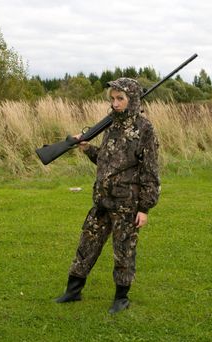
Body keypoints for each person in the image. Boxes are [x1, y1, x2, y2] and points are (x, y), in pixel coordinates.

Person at [55, 77, 160, 314]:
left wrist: (144, 208)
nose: (115, 103)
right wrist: (88, 149)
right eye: (112, 98)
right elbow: (107, 160)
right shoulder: (111, 126)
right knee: (87, 244)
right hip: (102, 200)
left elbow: (150, 172)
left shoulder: (145, 129)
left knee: (123, 251)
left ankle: (121, 298)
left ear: (132, 100)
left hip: (126, 204)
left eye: (120, 98)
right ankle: (73, 291)